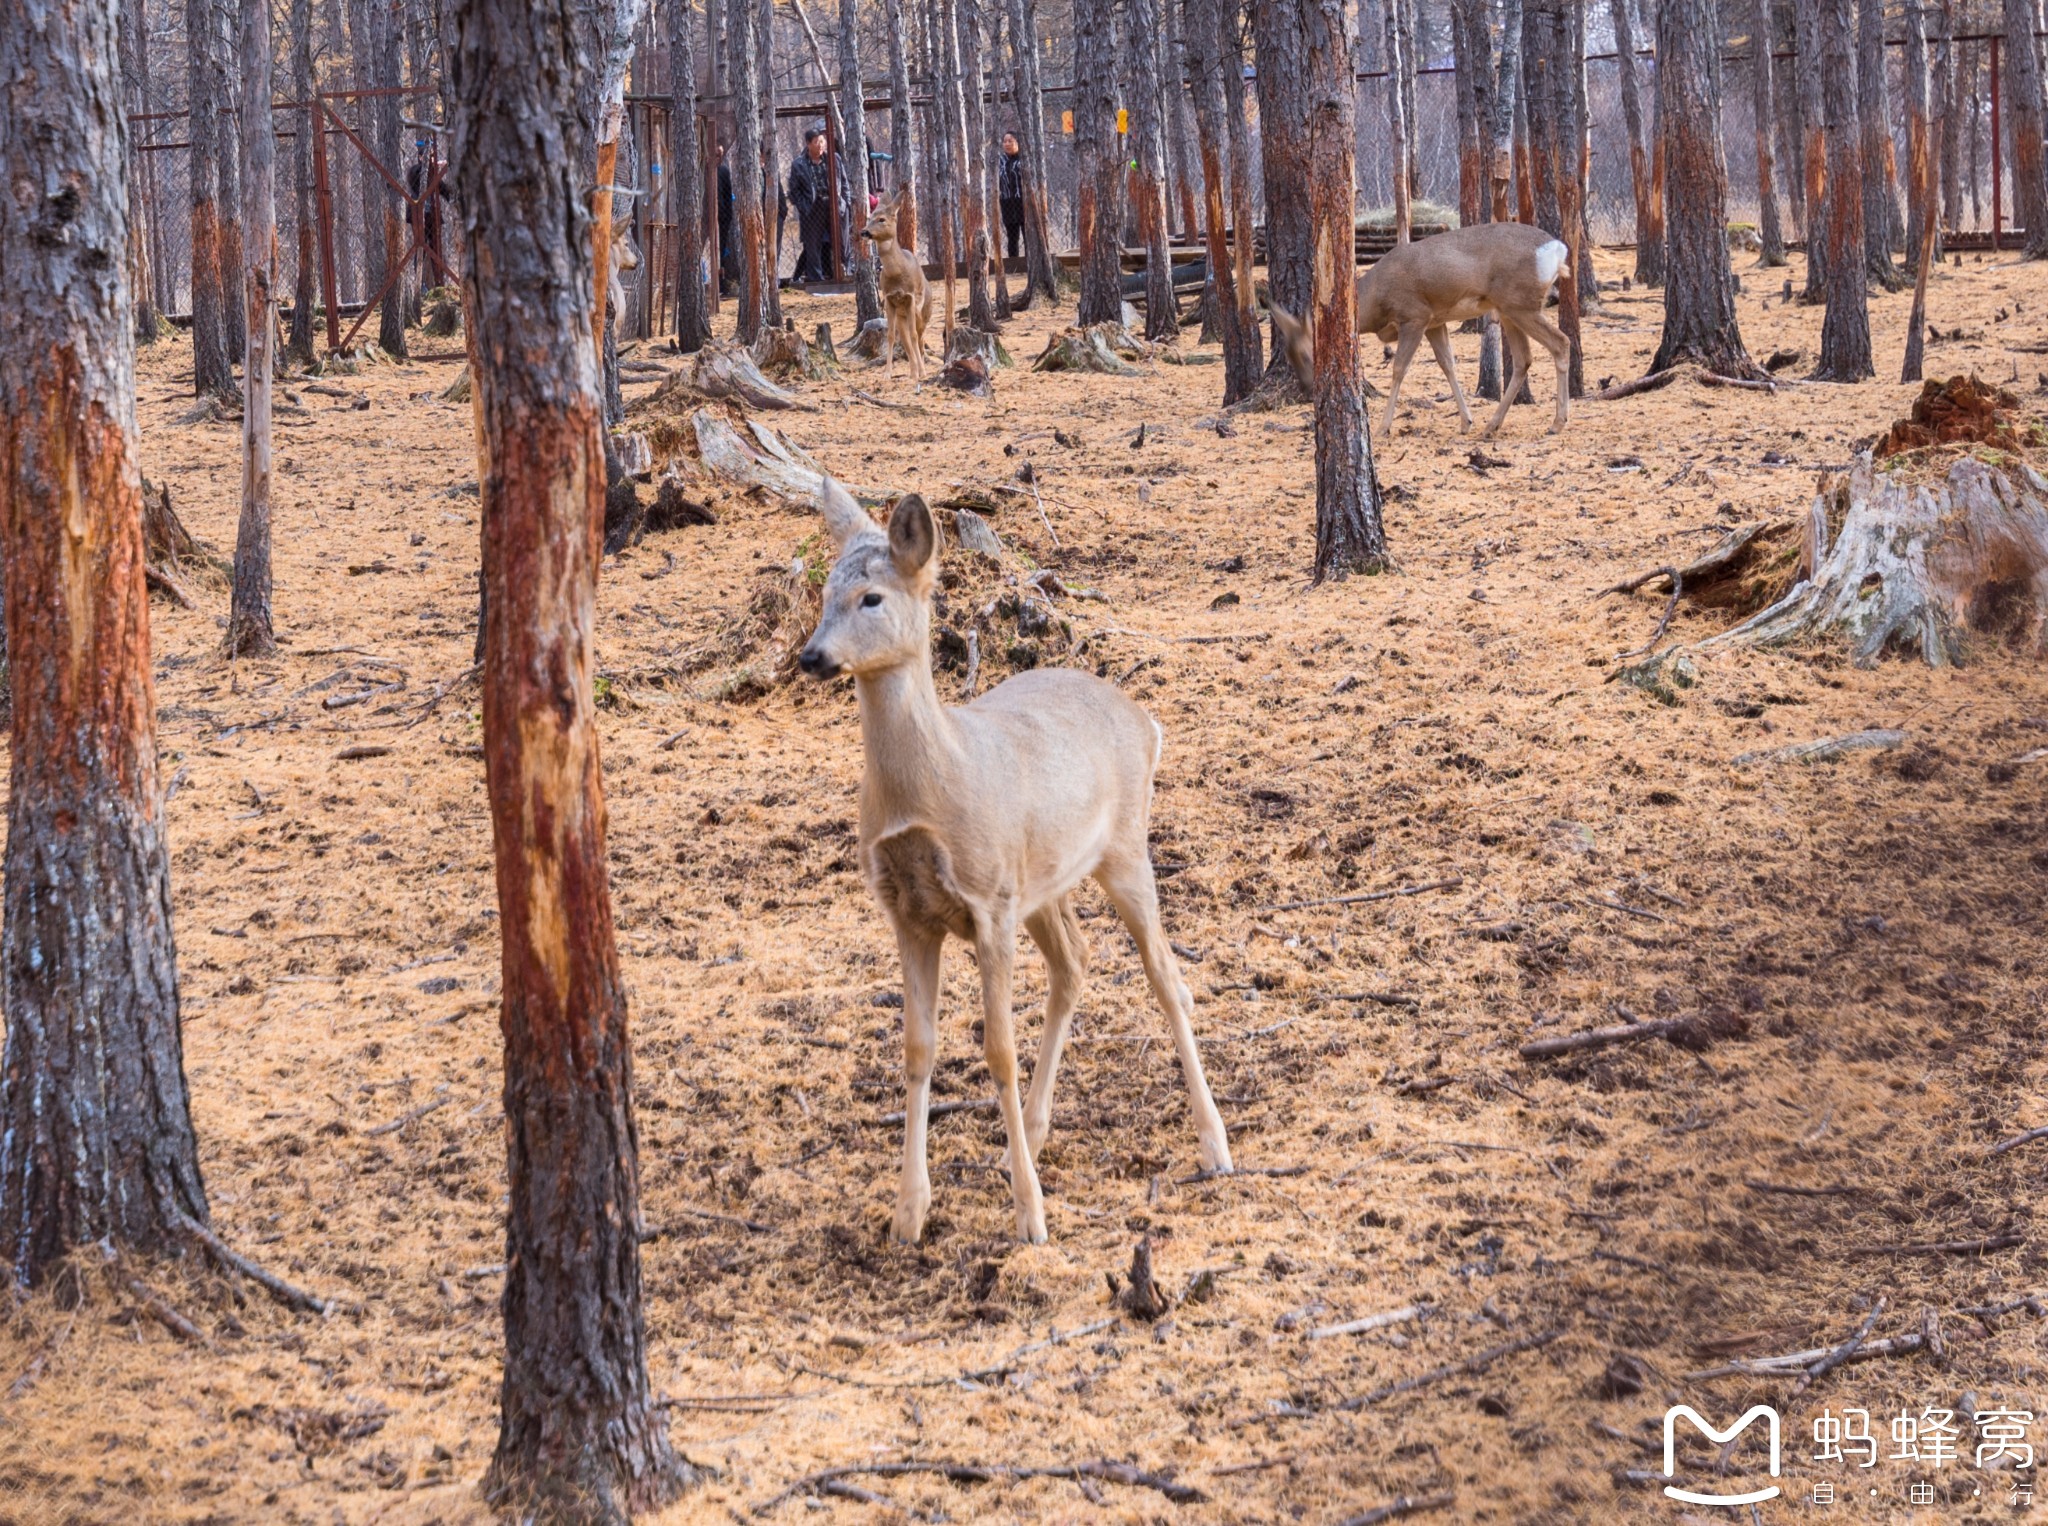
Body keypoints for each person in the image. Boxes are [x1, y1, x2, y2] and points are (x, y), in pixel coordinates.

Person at [787, 125, 835, 284]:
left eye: (822, 141)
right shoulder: (799, 164)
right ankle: (816, 278)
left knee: (832, 241)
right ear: (808, 144)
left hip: (832, 205)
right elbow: (794, 191)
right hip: (812, 207)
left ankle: (834, 273)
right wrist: (804, 207)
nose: (820, 144)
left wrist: (842, 201)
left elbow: (842, 182)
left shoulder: (832, 160)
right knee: (812, 244)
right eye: (816, 141)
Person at [998, 131, 1025, 263]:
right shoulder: (1001, 161)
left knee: (1028, 235)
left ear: (1018, 142)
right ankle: (1014, 266)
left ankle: (1030, 264)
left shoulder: (1023, 159)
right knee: (1012, 237)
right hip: (1007, 203)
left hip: (1023, 203)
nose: (1007, 144)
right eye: (1005, 141)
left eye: (1011, 141)